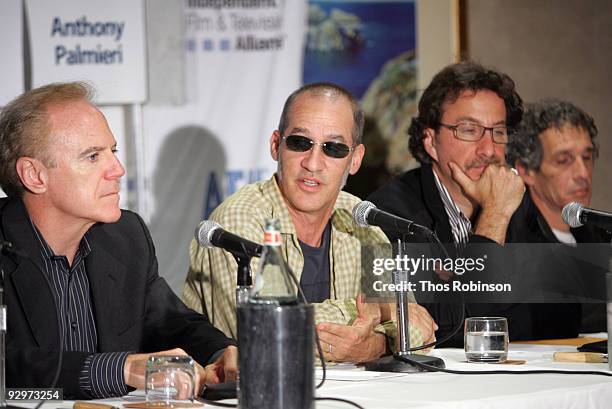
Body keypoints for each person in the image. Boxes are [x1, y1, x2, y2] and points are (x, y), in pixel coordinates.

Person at [0, 82, 237, 399]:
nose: (118, 169)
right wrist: (120, 369)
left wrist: (219, 352)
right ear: (34, 175)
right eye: (93, 156)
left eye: (112, 152)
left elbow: (170, 323)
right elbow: (10, 364)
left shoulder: (125, 236)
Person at [183, 82, 437, 363]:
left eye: (334, 148)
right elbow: (267, 336)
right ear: (275, 145)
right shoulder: (239, 221)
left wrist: (370, 346)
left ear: (355, 160)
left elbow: (419, 330)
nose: (313, 163)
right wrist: (377, 312)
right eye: (300, 143)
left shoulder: (360, 219)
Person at [367, 62, 532, 345]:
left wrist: (458, 279)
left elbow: (552, 315)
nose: (490, 150)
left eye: (499, 132)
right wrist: (494, 217)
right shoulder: (390, 214)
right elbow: (450, 330)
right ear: (431, 142)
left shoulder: (514, 201)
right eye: (469, 130)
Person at [506, 99, 611, 335]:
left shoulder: (600, 235)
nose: (582, 173)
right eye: (564, 160)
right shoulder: (510, 241)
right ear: (526, 170)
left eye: (587, 157)